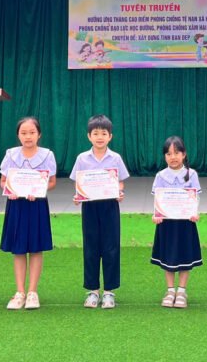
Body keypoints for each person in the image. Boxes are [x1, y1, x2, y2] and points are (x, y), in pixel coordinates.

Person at [70, 114, 130, 309]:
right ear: (89, 136)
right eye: (95, 133)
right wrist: (78, 196)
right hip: (90, 207)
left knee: (111, 248)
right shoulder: (82, 158)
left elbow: (120, 182)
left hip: (110, 207)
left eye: (104, 133)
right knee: (91, 248)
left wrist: (119, 191)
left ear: (110, 136)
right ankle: (93, 291)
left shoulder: (116, 158)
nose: (100, 137)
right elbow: (79, 184)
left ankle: (109, 292)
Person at [0, 116, 57, 310]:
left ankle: (32, 292)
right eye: (23, 133)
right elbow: (3, 181)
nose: (28, 136)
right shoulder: (11, 154)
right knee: (18, 249)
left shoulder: (47, 155)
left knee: (36, 248)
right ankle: (19, 292)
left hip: (37, 205)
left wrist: (38, 190)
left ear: (39, 134)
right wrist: (10, 190)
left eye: (32, 132)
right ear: (18, 135)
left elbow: (52, 182)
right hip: (16, 206)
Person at [151, 135, 202, 308]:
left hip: (185, 223)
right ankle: (170, 290)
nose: (173, 157)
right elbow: (157, 200)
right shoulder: (160, 176)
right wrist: (156, 214)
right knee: (168, 257)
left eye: (177, 153)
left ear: (184, 154)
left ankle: (181, 291)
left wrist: (194, 212)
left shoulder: (191, 174)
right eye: (169, 154)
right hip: (166, 224)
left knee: (185, 256)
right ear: (164, 156)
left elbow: (195, 197)